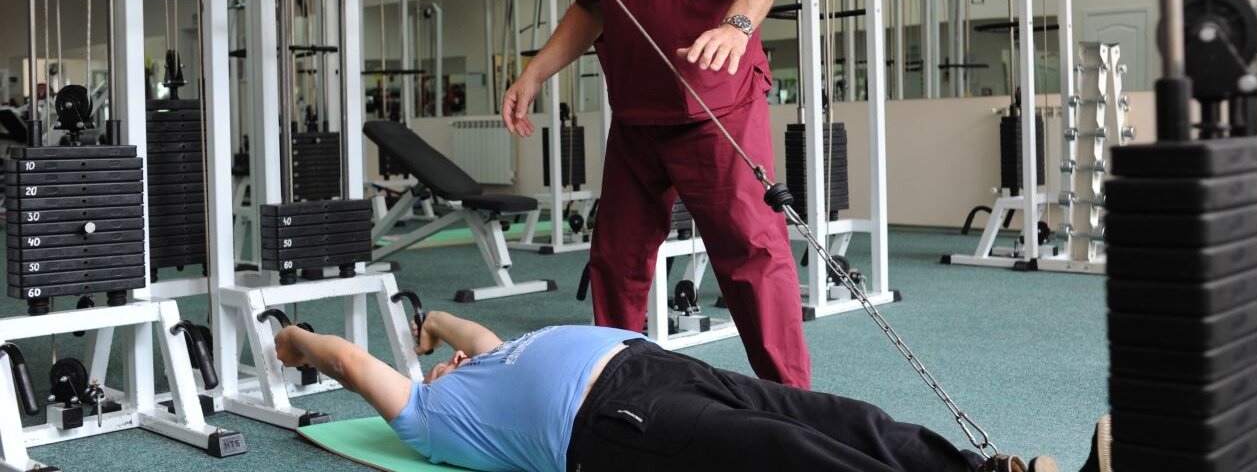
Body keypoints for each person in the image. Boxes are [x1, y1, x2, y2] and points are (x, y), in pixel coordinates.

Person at [502, 0, 810, 388]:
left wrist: (737, 26)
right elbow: (590, 10)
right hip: (637, 116)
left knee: (750, 256)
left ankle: (791, 403)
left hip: (715, 109)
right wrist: (533, 73)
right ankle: (612, 393)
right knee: (615, 260)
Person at [274, 313, 1109, 472]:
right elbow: (347, 362)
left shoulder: (489, 358)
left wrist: (437, 327)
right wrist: (294, 341)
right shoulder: (430, 418)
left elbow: (472, 332)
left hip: (660, 368)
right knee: (788, 455)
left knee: (846, 419)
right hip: (611, 425)